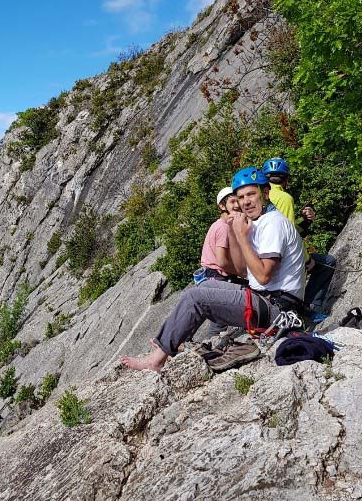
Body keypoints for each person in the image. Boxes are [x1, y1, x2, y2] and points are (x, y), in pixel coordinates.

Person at [121, 167, 306, 372]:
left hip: (277, 310)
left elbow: (263, 275)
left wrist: (243, 237)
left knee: (196, 298)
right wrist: (235, 232)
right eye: (240, 197)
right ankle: (168, 340)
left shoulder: (273, 223)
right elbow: (242, 270)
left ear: (265, 193)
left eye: (251, 194)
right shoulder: (258, 222)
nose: (246, 202)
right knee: (205, 285)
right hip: (264, 299)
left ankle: (156, 359)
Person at [261, 157, 336, 317]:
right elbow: (290, 235)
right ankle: (310, 311)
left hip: (267, 254)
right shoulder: (285, 198)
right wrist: (307, 259)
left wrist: (305, 221)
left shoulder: (264, 197)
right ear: (286, 179)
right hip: (285, 256)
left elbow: (287, 228)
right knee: (327, 264)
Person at [199, 186, 245, 282]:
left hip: (211, 274)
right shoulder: (223, 228)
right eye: (232, 202)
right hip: (218, 276)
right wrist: (242, 273)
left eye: (238, 201)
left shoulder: (219, 224)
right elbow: (222, 262)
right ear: (222, 206)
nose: (237, 205)